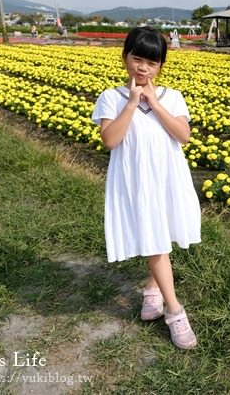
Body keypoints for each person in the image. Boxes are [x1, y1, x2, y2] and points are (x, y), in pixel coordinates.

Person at [91, 26, 201, 350]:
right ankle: (175, 312)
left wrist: (153, 100)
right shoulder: (111, 97)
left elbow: (183, 135)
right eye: (137, 59)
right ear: (125, 57)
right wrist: (132, 103)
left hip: (168, 176)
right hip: (136, 182)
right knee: (156, 245)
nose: (142, 68)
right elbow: (111, 140)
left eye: (151, 63)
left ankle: (152, 291)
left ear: (160, 67)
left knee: (163, 235)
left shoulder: (172, 96)